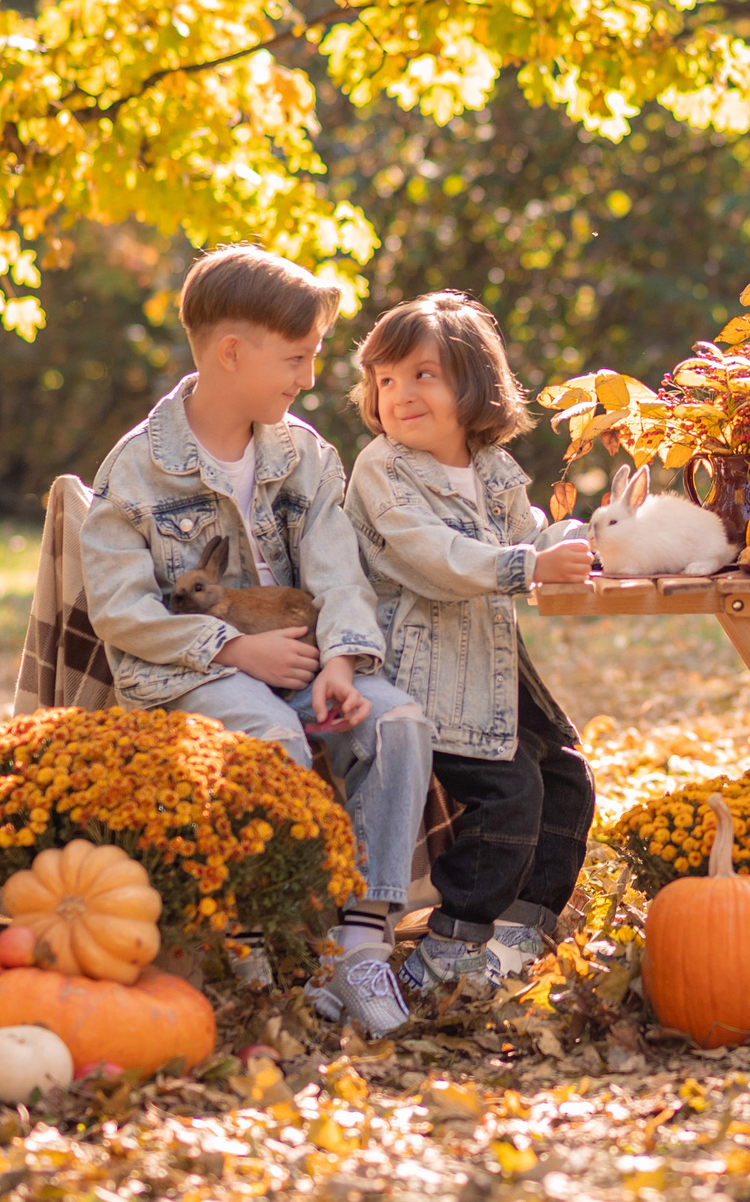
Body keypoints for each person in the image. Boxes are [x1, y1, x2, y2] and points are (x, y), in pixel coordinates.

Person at [80, 245, 433, 1037]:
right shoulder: (139, 470)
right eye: (297, 358)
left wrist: (340, 658)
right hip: (190, 673)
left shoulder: (300, 454)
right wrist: (232, 650)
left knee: (398, 720)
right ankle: (284, 937)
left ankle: (362, 937)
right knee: (268, 733)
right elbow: (121, 607)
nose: (308, 377)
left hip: (305, 659)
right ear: (232, 353)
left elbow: (338, 568)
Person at [342, 291, 599, 1005]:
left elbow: (530, 531)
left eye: (422, 373)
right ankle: (449, 945)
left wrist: (569, 546)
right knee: (507, 789)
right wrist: (526, 566)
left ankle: (519, 933)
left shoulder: (493, 469)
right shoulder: (383, 470)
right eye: (385, 379)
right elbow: (433, 556)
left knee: (570, 777)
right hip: (425, 669)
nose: (399, 394)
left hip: (491, 662)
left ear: (474, 381)